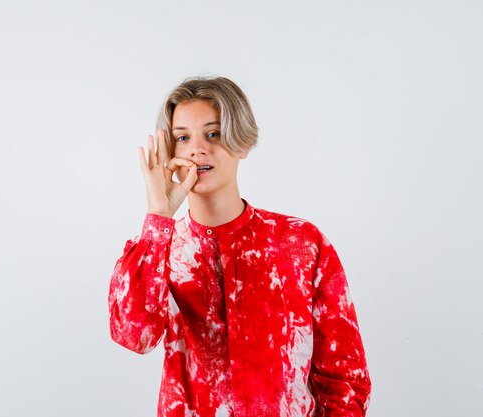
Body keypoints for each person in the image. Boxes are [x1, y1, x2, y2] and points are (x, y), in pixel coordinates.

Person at [108, 76, 371, 417]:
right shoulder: (159, 250)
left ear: (242, 143)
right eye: (182, 138)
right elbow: (134, 336)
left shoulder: (301, 243)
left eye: (213, 134)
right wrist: (159, 215)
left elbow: (344, 376)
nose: (196, 149)